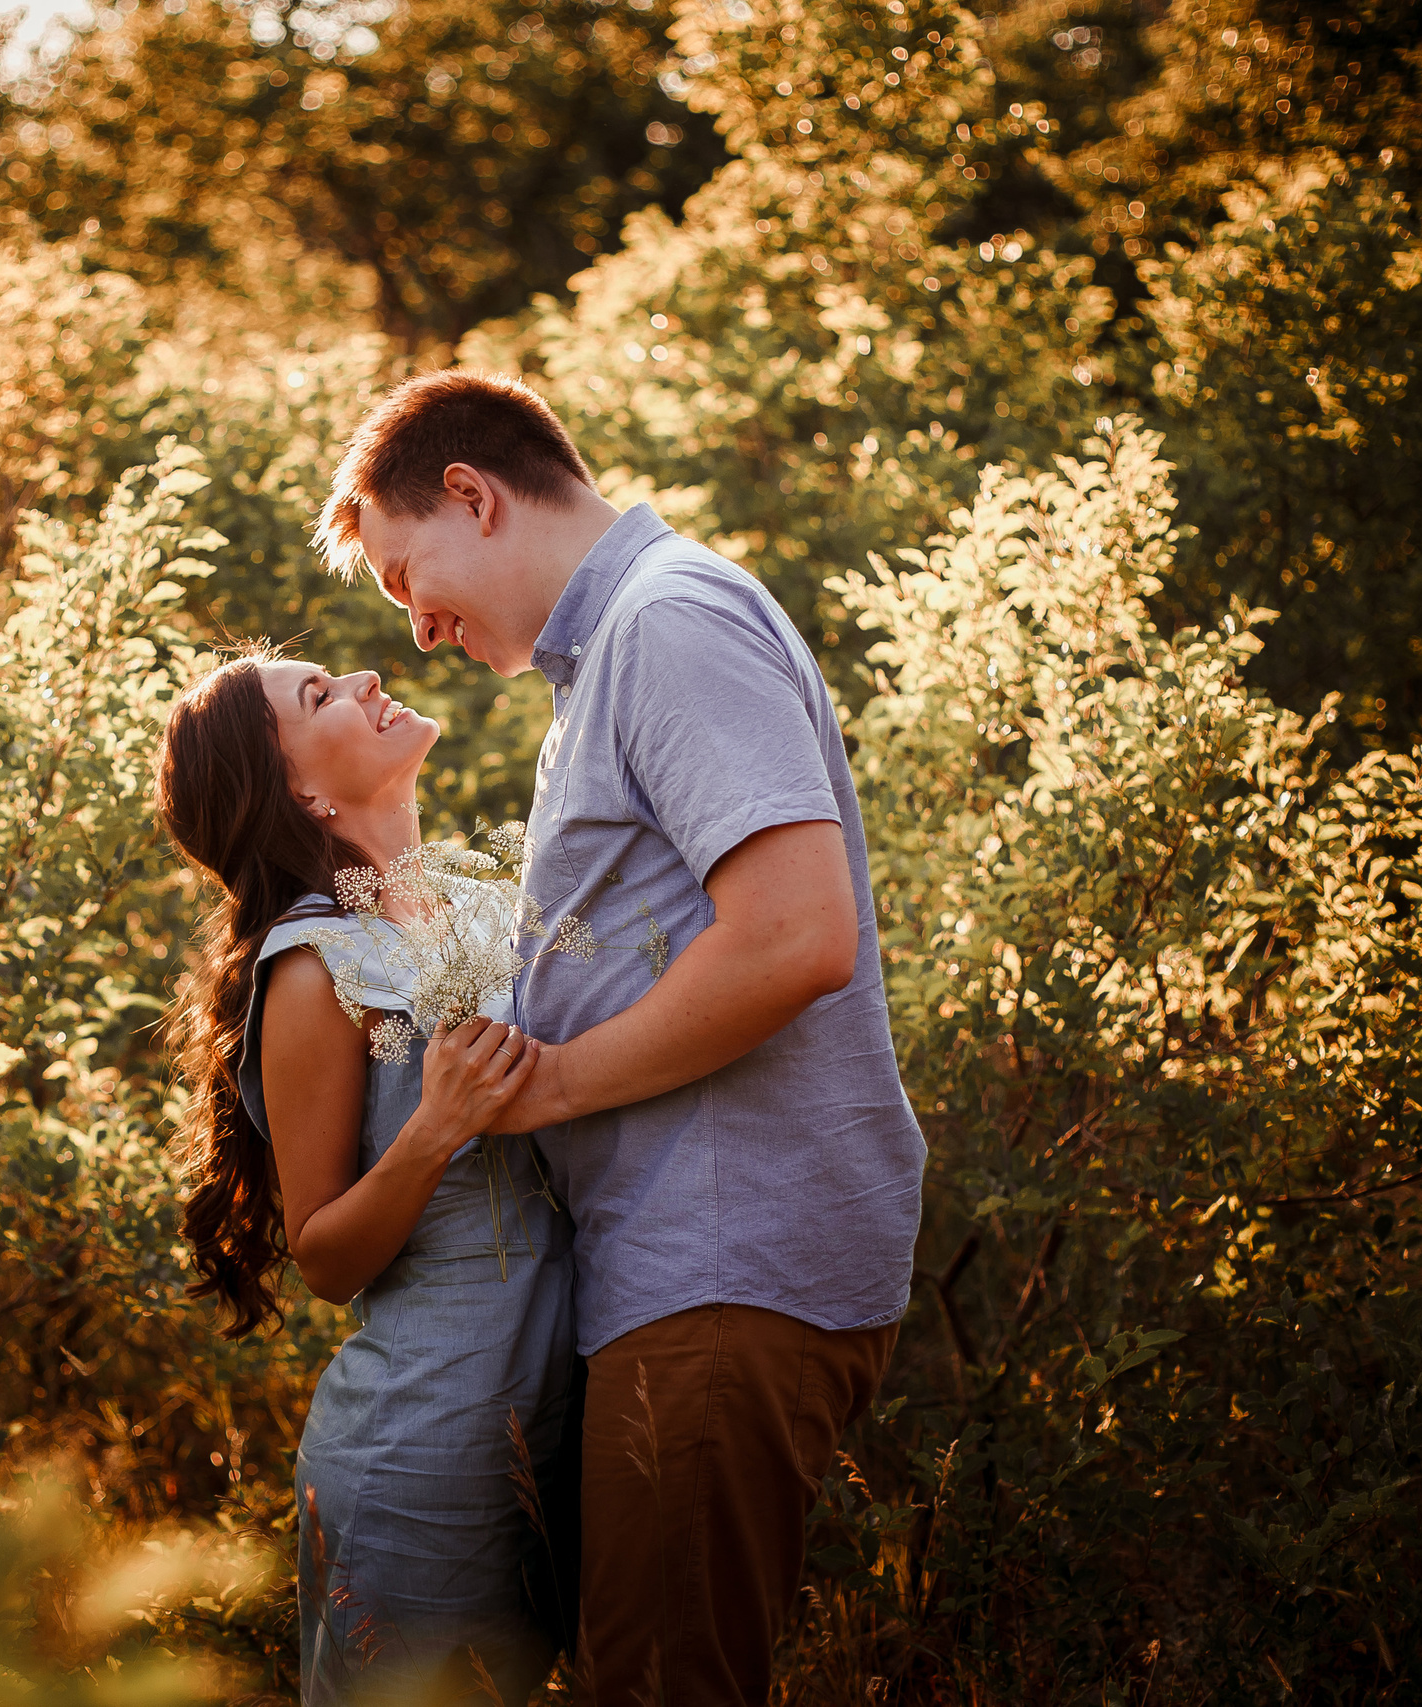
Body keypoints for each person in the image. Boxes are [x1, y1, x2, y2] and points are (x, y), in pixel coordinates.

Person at [314, 371, 929, 1706]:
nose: (419, 631)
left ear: (473, 496)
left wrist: (553, 1086)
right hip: (685, 1259)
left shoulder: (669, 626)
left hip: (723, 1249)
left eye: (412, 573)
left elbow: (794, 936)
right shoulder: (609, 665)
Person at [156, 649, 576, 1704]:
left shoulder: (481, 911)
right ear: (302, 789)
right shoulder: (314, 967)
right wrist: (434, 1128)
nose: (364, 678)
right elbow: (326, 1255)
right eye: (319, 695)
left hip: (569, 1419)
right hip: (427, 1459)